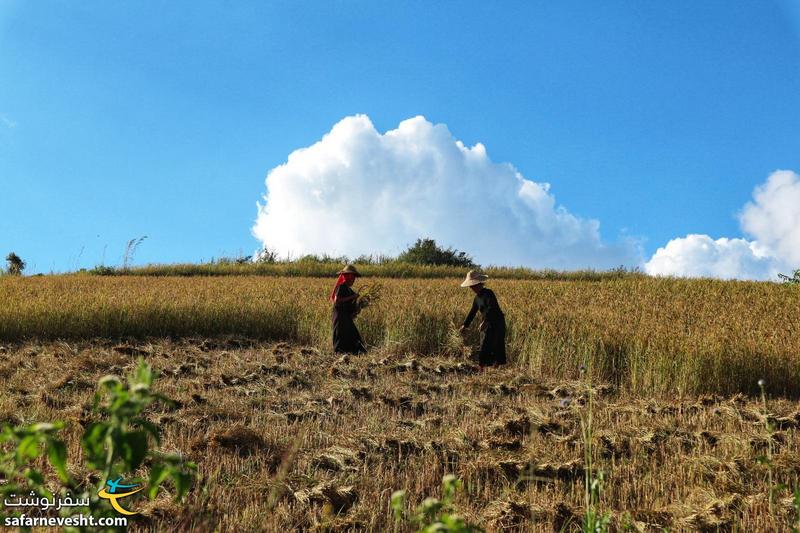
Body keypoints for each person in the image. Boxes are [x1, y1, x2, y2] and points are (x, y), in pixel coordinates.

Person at [459, 270, 507, 368]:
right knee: (484, 345)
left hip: (497, 323)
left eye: (473, 286)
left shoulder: (488, 293)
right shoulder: (477, 299)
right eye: (471, 286)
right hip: (487, 323)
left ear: (479, 284)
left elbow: (491, 308)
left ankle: (493, 369)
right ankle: (483, 368)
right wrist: (465, 325)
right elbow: (472, 312)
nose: (471, 288)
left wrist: (484, 321)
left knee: (497, 345)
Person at [330, 264, 366, 354]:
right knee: (341, 340)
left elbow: (354, 307)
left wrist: (362, 304)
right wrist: (353, 297)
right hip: (340, 318)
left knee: (354, 338)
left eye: (354, 278)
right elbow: (337, 300)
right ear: (348, 276)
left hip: (346, 318)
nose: (354, 280)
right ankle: (340, 357)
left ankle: (352, 355)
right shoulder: (341, 287)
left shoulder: (350, 290)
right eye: (353, 277)